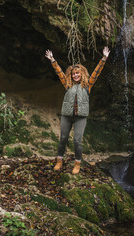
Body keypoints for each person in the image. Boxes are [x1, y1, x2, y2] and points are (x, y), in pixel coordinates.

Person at [45, 46, 110, 174]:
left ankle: (77, 163)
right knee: (63, 138)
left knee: (77, 141)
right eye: (74, 73)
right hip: (67, 116)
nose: (75, 75)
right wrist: (53, 60)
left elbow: (97, 72)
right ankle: (59, 161)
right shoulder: (67, 84)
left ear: (82, 74)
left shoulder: (88, 85)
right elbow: (59, 72)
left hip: (81, 117)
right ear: (71, 75)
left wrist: (104, 58)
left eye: (78, 73)